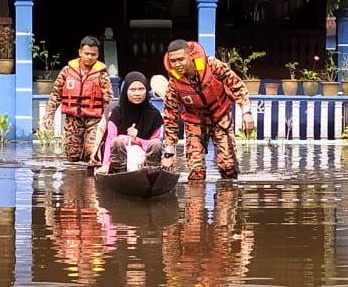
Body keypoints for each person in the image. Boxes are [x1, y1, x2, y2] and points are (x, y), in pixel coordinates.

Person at [161, 39, 255, 182]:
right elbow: (170, 116)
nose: (177, 65)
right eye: (173, 61)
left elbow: (237, 85)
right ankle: (196, 203)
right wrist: (169, 152)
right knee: (196, 171)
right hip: (195, 122)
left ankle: (228, 202)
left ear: (190, 56)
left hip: (220, 116)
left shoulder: (211, 65)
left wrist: (246, 112)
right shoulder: (174, 82)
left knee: (228, 167)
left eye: (181, 59)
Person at [42, 36, 113, 163]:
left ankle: (90, 180)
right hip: (73, 119)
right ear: (80, 52)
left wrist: (110, 121)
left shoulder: (102, 74)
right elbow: (55, 95)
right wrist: (49, 116)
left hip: (95, 119)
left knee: (91, 152)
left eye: (93, 54)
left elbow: (109, 100)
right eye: (87, 53)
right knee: (72, 156)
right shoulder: (67, 71)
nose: (90, 57)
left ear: (98, 55)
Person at [97, 72, 164, 174]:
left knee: (156, 144)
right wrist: (105, 165)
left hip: (144, 158)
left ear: (147, 90)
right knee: (117, 141)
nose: (137, 93)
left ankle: (152, 173)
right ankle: (120, 172)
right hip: (119, 158)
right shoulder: (117, 112)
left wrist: (136, 140)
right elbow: (110, 139)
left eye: (141, 89)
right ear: (125, 91)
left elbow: (156, 140)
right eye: (132, 90)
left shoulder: (154, 114)